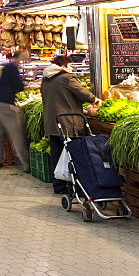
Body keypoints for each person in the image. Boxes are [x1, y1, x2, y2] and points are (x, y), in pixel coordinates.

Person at [40, 54, 98, 195]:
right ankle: (75, 188)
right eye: (70, 65)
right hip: (68, 123)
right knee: (73, 155)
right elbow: (83, 93)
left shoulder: (46, 80)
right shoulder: (67, 78)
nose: (72, 68)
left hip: (53, 123)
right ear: (64, 66)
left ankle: (58, 186)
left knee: (57, 155)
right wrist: (94, 100)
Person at [0, 50, 31, 173]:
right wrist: (25, 84)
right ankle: (27, 165)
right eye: (24, 58)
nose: (25, 61)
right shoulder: (12, 68)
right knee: (16, 135)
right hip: (6, 105)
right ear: (19, 57)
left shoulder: (7, 67)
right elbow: (18, 86)